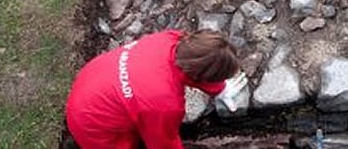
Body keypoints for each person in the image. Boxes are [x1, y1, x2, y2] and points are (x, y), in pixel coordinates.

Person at [66, 29, 247, 148]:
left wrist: (219, 88)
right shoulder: (163, 103)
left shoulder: (171, 38)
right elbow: (162, 143)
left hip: (91, 83)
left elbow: (189, 67)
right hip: (91, 125)